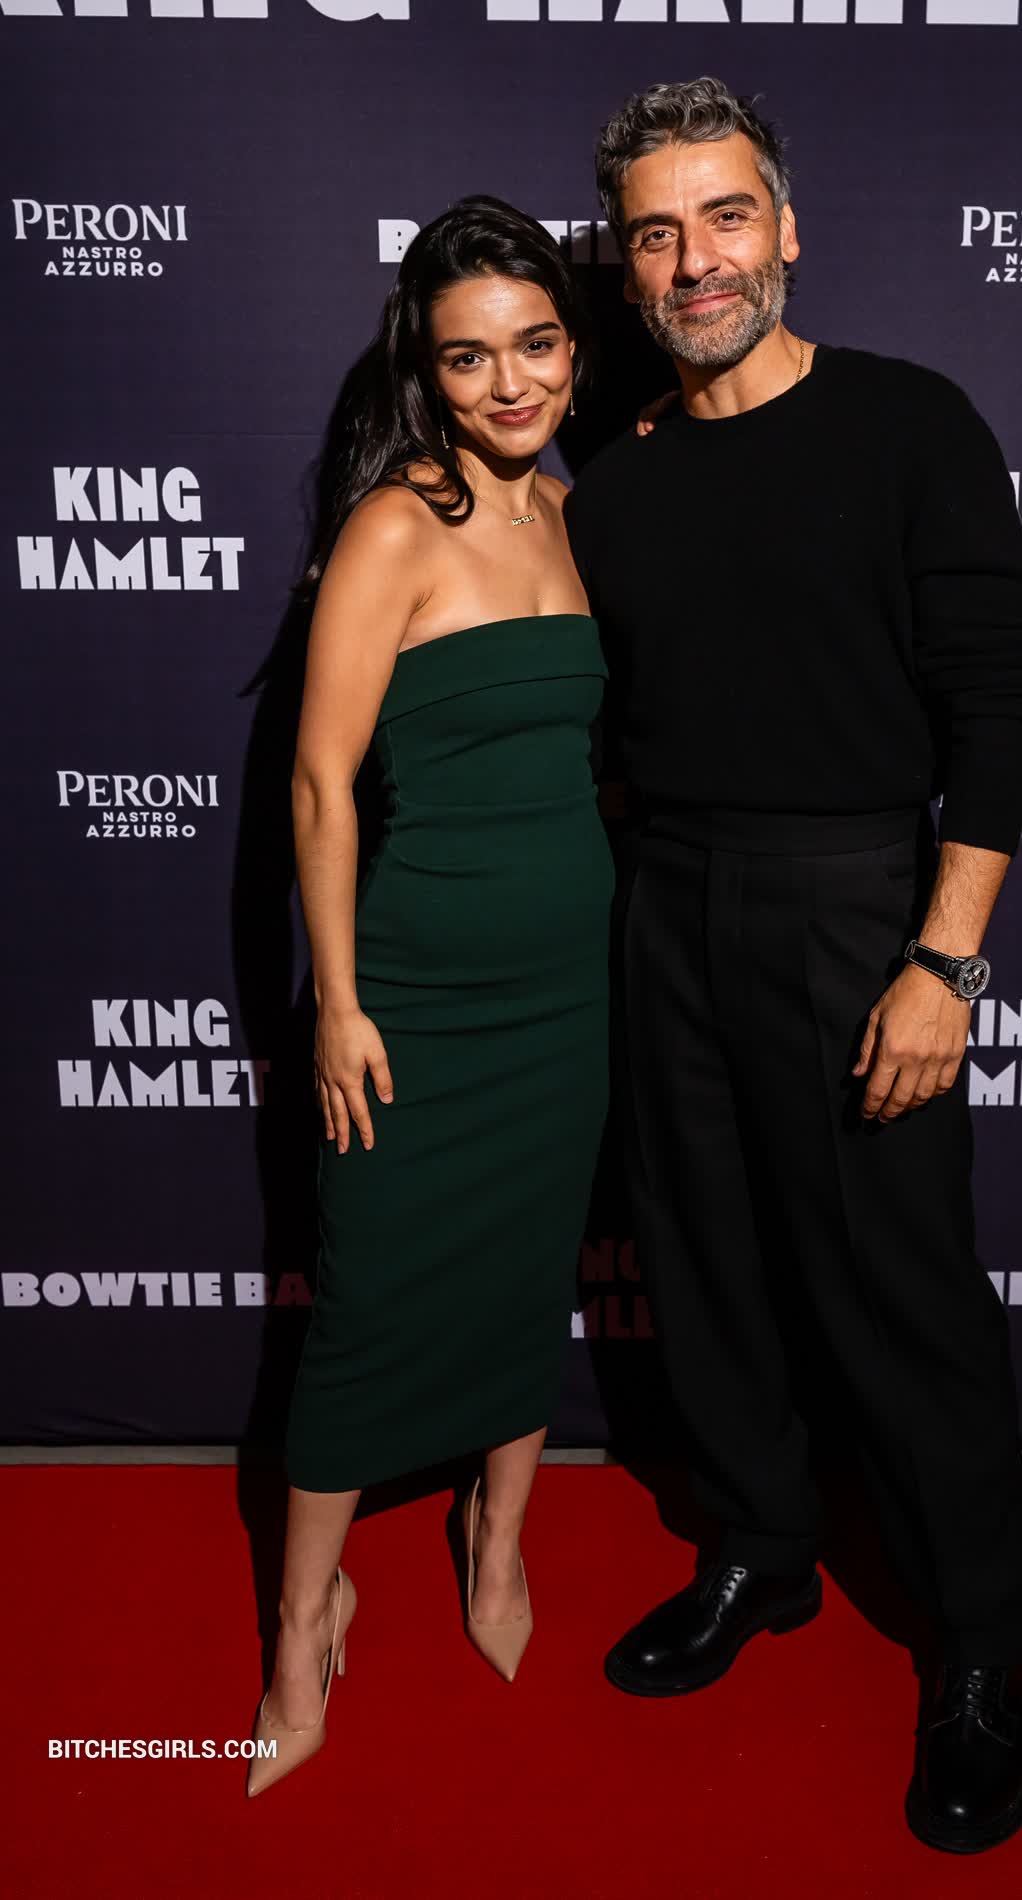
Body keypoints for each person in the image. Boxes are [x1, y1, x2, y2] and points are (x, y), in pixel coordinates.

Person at [563, 79, 1022, 1855]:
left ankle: (980, 1653)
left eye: (725, 216)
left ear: (786, 225)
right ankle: (760, 1548)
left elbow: (999, 702)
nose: (695, 259)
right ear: (627, 267)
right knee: (703, 1260)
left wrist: (946, 963)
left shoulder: (912, 422)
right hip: (666, 898)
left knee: (903, 1295)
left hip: (860, 904)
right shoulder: (615, 486)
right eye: (657, 232)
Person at [244, 196, 613, 1797]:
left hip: (568, 992)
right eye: (470, 357)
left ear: (574, 352)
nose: (508, 382)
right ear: (428, 369)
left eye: (534, 345)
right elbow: (320, 785)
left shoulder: (578, 515)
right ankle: (301, 1624)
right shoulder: (396, 526)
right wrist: (337, 1002)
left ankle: (497, 1538)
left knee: (534, 1273)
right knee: (369, 1303)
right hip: (416, 994)